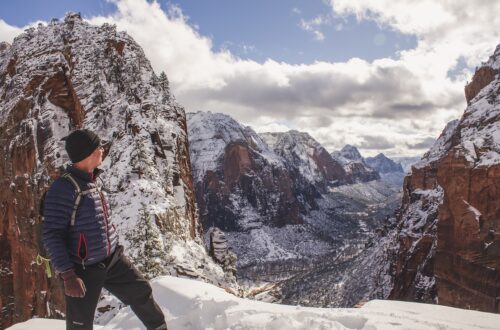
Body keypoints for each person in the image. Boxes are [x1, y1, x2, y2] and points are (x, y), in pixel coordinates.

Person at [42, 129, 167, 330]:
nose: (102, 150)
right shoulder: (64, 188)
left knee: (141, 292)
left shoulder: (92, 179)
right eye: (98, 147)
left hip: (112, 259)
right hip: (83, 269)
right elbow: (51, 233)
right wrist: (68, 275)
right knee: (80, 325)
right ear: (88, 153)